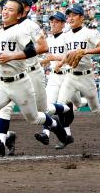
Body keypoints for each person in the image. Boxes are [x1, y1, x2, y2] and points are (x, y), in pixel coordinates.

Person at [0, 0, 67, 166]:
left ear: (18, 15)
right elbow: (1, 55)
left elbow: (32, 49)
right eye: (4, 8)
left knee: (34, 118)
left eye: (10, 10)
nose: (5, 11)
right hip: (2, 83)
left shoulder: (19, 31)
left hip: (20, 83)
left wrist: (11, 56)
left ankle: (53, 123)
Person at [45, 4, 100, 149]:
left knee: (96, 108)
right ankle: (65, 136)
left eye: (74, 15)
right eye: (69, 15)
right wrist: (60, 62)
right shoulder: (66, 35)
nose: (70, 18)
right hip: (71, 76)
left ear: (82, 17)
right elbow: (67, 55)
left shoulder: (89, 32)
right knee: (61, 104)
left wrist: (85, 51)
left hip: (86, 77)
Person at [0, 0, 48, 157]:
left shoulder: (30, 25)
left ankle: (59, 117)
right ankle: (2, 142)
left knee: (42, 110)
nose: (15, 4)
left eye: (20, 2)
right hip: (14, 73)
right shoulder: (7, 25)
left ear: (26, 8)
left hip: (32, 72)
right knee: (4, 108)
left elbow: (44, 46)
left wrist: (21, 55)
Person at [35, 11, 87, 146]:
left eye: (56, 22)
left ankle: (83, 102)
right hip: (53, 76)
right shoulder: (49, 39)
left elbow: (72, 57)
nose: (53, 24)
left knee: (67, 106)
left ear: (63, 24)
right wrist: (42, 61)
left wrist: (55, 58)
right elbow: (49, 57)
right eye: (52, 21)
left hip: (68, 76)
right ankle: (46, 134)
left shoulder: (67, 37)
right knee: (47, 106)